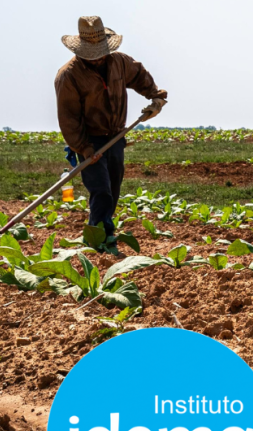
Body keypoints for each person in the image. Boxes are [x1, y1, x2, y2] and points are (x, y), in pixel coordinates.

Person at [55, 16, 168, 254]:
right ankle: (99, 237)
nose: (98, 58)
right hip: (90, 140)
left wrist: (156, 98)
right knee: (101, 190)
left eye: (101, 52)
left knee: (113, 188)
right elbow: (69, 119)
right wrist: (84, 148)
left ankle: (103, 231)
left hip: (116, 136)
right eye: (92, 54)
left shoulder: (120, 63)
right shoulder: (69, 76)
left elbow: (140, 77)